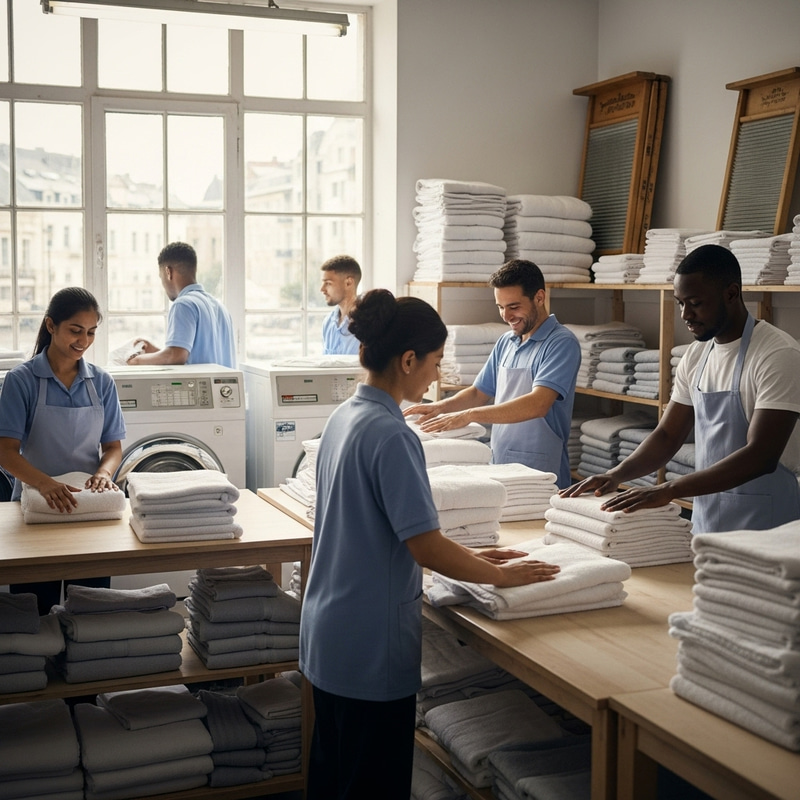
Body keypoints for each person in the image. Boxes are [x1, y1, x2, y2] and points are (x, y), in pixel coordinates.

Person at [299, 288, 560, 799]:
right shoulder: (393, 435)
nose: (436, 376)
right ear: (408, 359)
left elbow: (372, 531)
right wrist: (503, 575)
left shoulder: (344, 418)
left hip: (330, 635)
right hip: (369, 646)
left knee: (333, 781)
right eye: (435, 362)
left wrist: (475, 557)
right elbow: (427, 548)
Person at [561, 243, 800, 533]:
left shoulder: (777, 354)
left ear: (731, 293)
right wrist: (615, 475)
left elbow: (761, 455)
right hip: (709, 517)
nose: (685, 314)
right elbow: (667, 435)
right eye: (680, 302)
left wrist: (668, 489)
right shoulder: (696, 356)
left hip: (768, 524)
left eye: (695, 303)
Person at [0, 287, 127, 614]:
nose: (83, 340)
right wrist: (45, 484)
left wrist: (103, 472)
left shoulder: (101, 382)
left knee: (89, 611)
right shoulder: (21, 380)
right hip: (34, 509)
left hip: (87, 510)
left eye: (91, 332)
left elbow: (113, 446)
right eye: (75, 330)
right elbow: (6, 451)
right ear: (51, 326)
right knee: (35, 612)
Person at [403, 259, 581, 488]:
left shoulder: (561, 343)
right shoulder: (507, 341)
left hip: (543, 472)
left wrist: (469, 415)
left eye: (514, 307)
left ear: (539, 297)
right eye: (500, 307)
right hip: (501, 465)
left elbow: (538, 403)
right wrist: (440, 407)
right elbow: (479, 392)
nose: (506, 316)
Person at [127, 241, 236, 368]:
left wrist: (136, 360)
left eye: (160, 277)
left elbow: (176, 357)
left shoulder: (183, 305)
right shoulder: (219, 306)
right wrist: (157, 351)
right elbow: (193, 357)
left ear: (168, 272)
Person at [320, 254, 361, 355]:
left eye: (328, 283)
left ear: (348, 283)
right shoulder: (328, 322)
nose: (322, 289)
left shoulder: (368, 323)